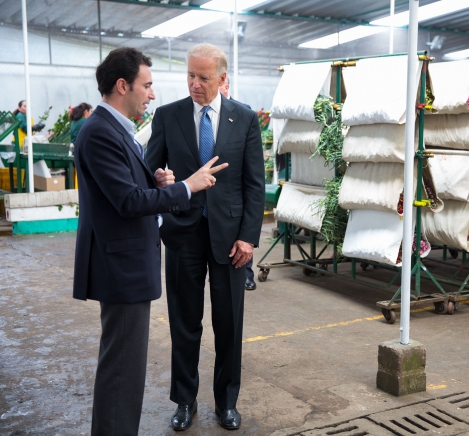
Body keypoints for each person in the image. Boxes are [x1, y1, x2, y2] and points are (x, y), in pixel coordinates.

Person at [72, 47, 227, 435]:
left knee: (125, 368)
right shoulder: (100, 133)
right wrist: (187, 188)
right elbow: (126, 203)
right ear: (123, 86)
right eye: (147, 85)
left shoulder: (113, 130)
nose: (152, 94)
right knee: (122, 371)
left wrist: (152, 182)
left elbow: (124, 191)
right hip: (121, 269)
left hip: (126, 265)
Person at [146, 43, 265, 431]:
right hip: (183, 235)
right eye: (190, 76)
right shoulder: (168, 116)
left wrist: (248, 238)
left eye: (203, 77)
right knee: (184, 323)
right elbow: (148, 172)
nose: (195, 84)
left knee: (229, 325)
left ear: (222, 78)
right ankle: (184, 401)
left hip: (231, 242)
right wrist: (162, 182)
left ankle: (226, 402)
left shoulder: (244, 119)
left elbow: (254, 184)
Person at [218, 75, 257, 292]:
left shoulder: (244, 111)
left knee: (243, 234)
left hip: (238, 182)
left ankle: (246, 274)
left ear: (226, 86)